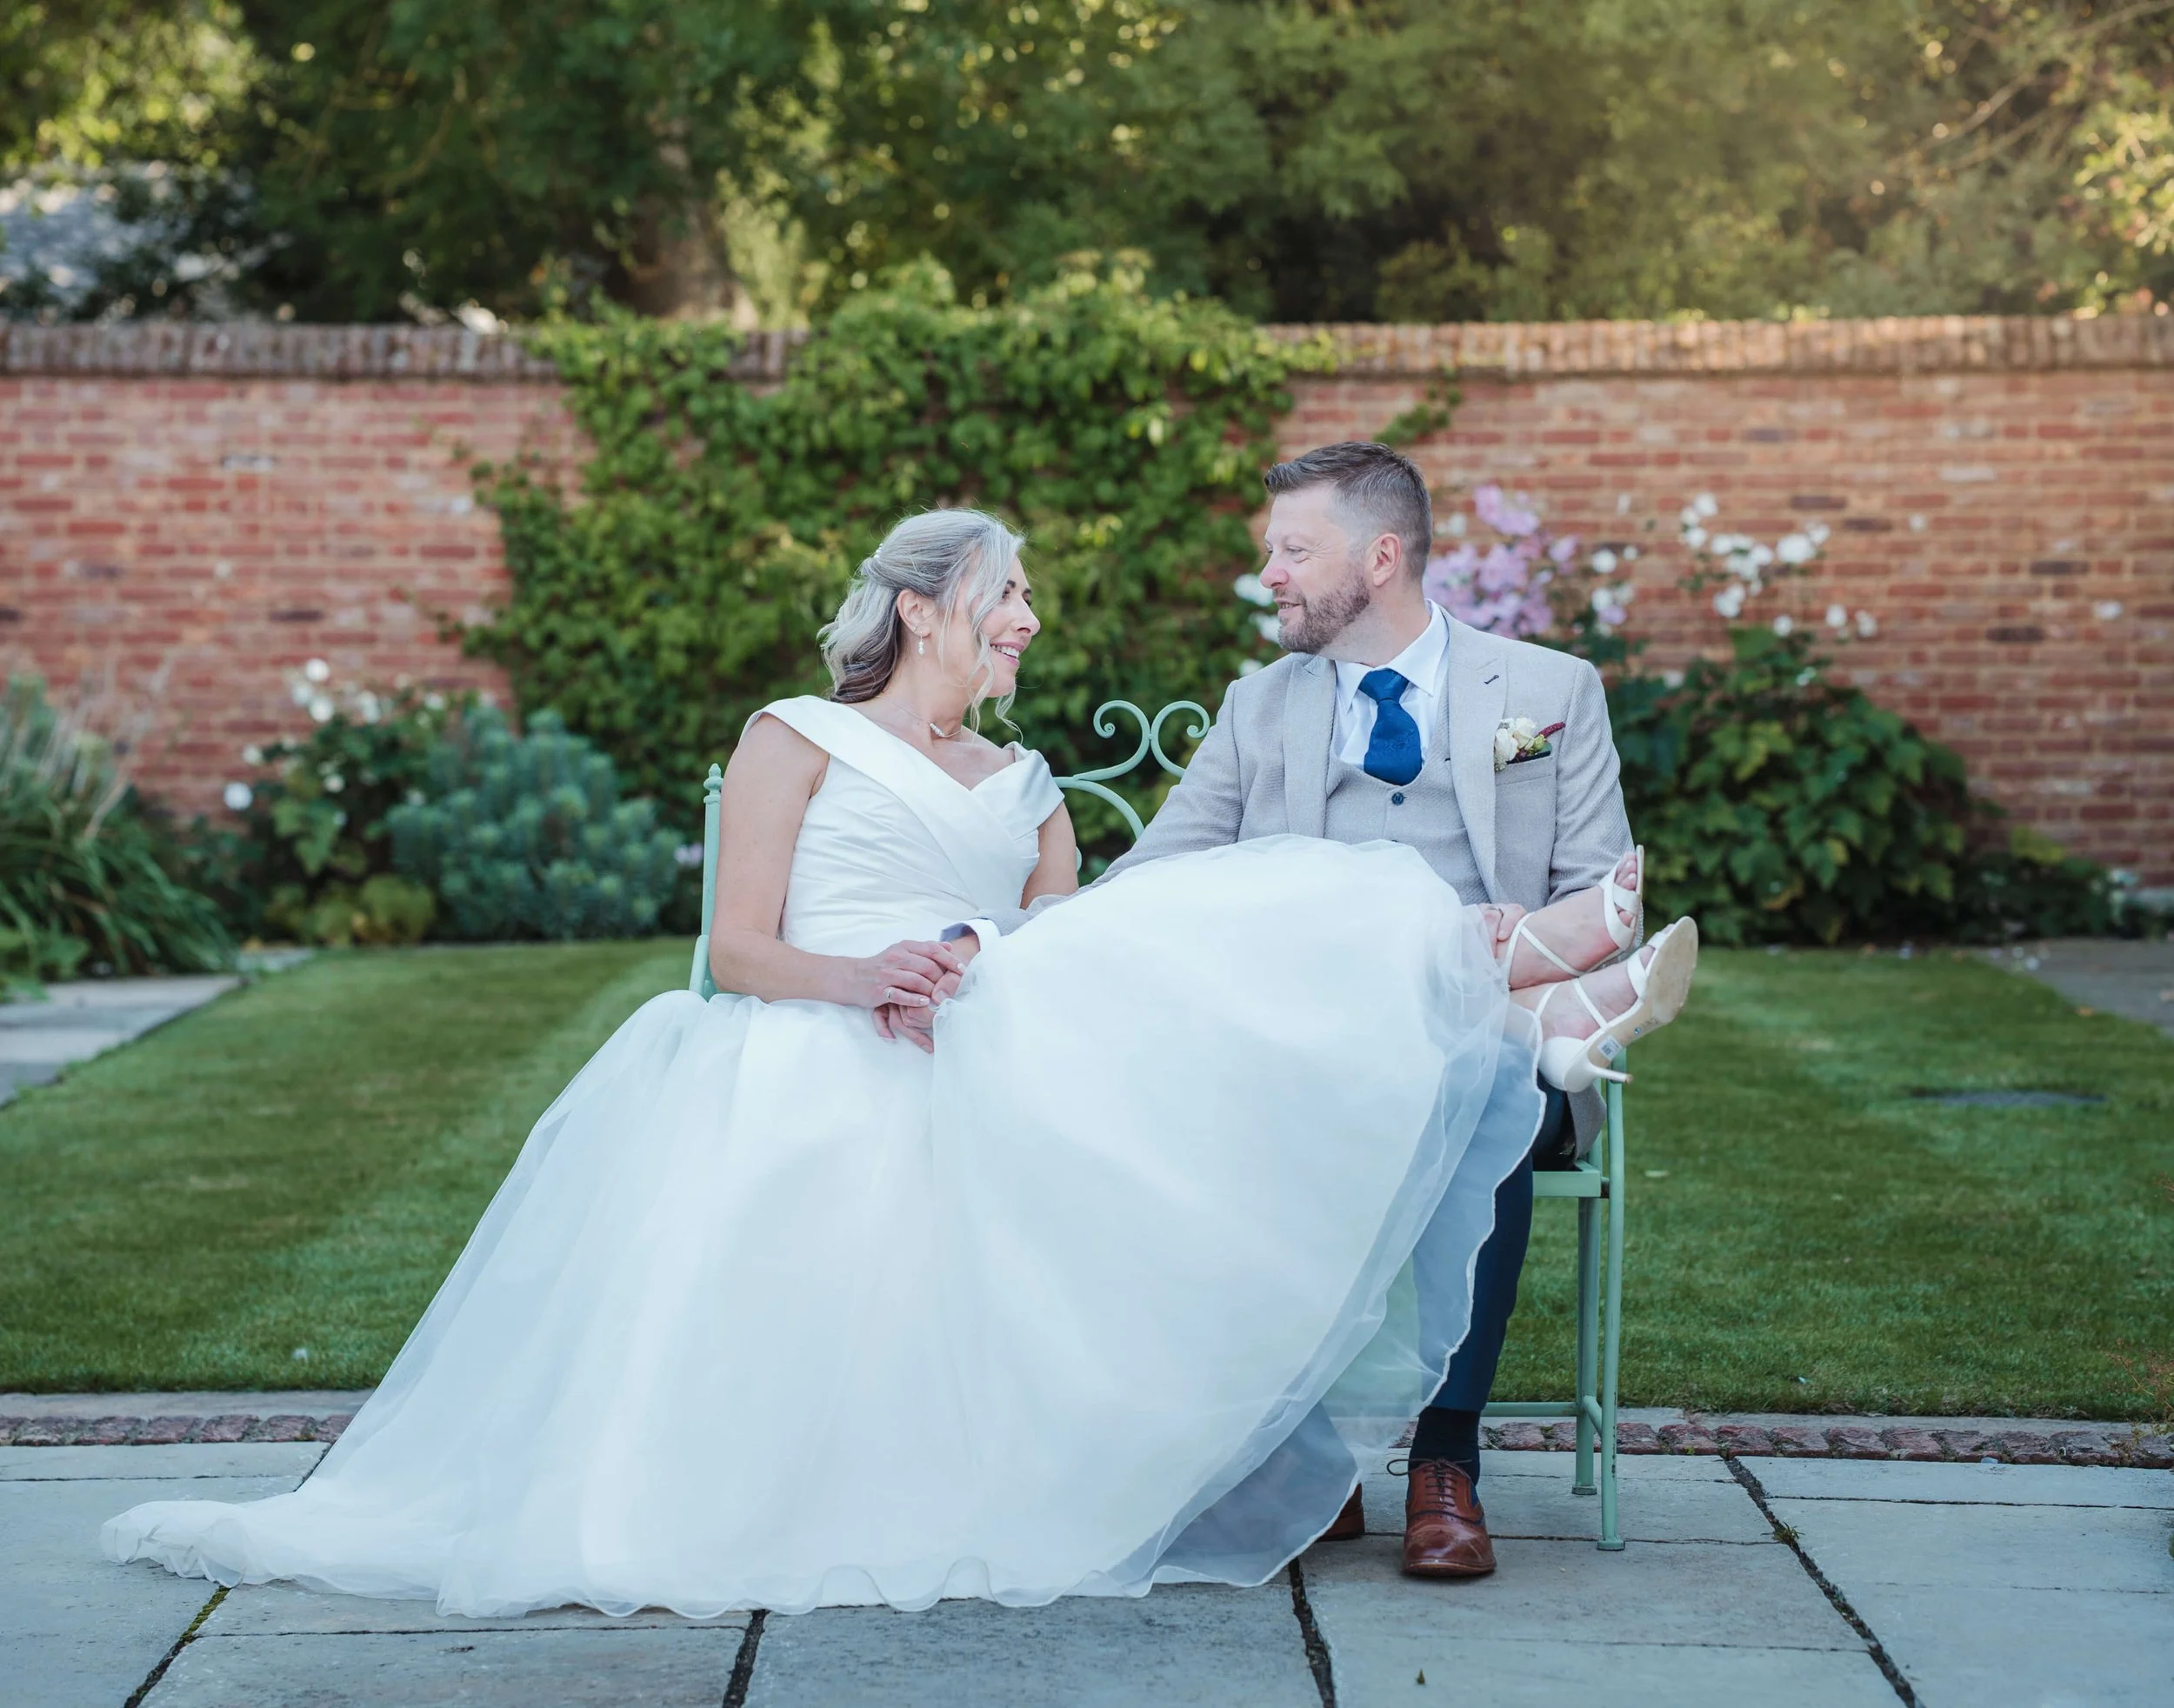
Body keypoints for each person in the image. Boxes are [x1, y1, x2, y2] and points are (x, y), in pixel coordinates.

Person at [105, 504, 1692, 1618]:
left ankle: (1499, 984)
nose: (1030, 619)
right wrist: (869, 977)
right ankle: (1530, 988)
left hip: (989, 1034)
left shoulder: (1026, 777)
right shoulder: (791, 732)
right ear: (926, 606)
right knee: (1246, 947)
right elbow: (735, 952)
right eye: (1010, 594)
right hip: (809, 1038)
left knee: (1220, 942)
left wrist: (976, 963)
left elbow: (1084, 940)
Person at [910, 442, 1671, 1578]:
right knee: (1213, 1098)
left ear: (1381, 556)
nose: (1269, 572)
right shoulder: (1260, 706)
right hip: (1304, 1052)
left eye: (1293, 550)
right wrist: (991, 938)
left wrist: (1502, 947)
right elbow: (1148, 879)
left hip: (1485, 1041)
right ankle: (1300, 1456)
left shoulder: (1551, 691)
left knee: (1481, 1077)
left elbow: (1600, 886)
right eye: (1271, 550)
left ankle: (1443, 1464)